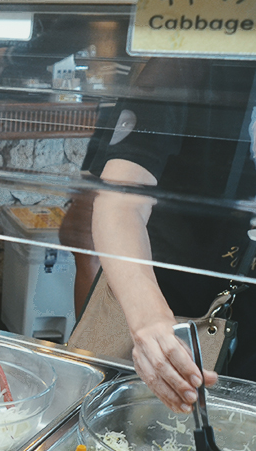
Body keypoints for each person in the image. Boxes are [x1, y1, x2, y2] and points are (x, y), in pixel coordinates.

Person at [90, 58, 256, 413]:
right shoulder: (191, 54)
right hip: (168, 301)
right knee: (128, 436)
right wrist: (150, 322)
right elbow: (121, 202)